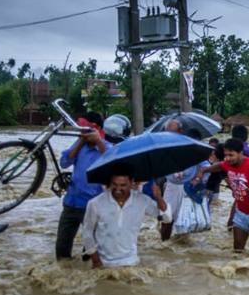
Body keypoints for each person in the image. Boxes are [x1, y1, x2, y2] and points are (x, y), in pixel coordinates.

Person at [82, 164, 171, 268]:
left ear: (131, 182)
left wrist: (159, 197)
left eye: (123, 185)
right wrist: (96, 260)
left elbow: (166, 218)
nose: (118, 189)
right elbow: (87, 232)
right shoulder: (95, 203)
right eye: (114, 184)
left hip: (131, 262)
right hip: (104, 263)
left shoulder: (142, 200)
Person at [195, 138, 249, 251]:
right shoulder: (227, 164)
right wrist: (203, 171)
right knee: (237, 249)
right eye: (226, 155)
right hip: (241, 213)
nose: (227, 158)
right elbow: (218, 166)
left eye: (231, 155)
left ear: (240, 153)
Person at [55, 112, 110, 260]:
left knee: (90, 254)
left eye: (85, 130)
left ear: (96, 129)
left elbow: (114, 164)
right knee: (62, 250)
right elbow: (64, 162)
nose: (82, 133)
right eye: (81, 130)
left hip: (93, 207)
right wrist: (80, 142)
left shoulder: (107, 147)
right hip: (71, 203)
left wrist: (99, 142)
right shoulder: (80, 146)